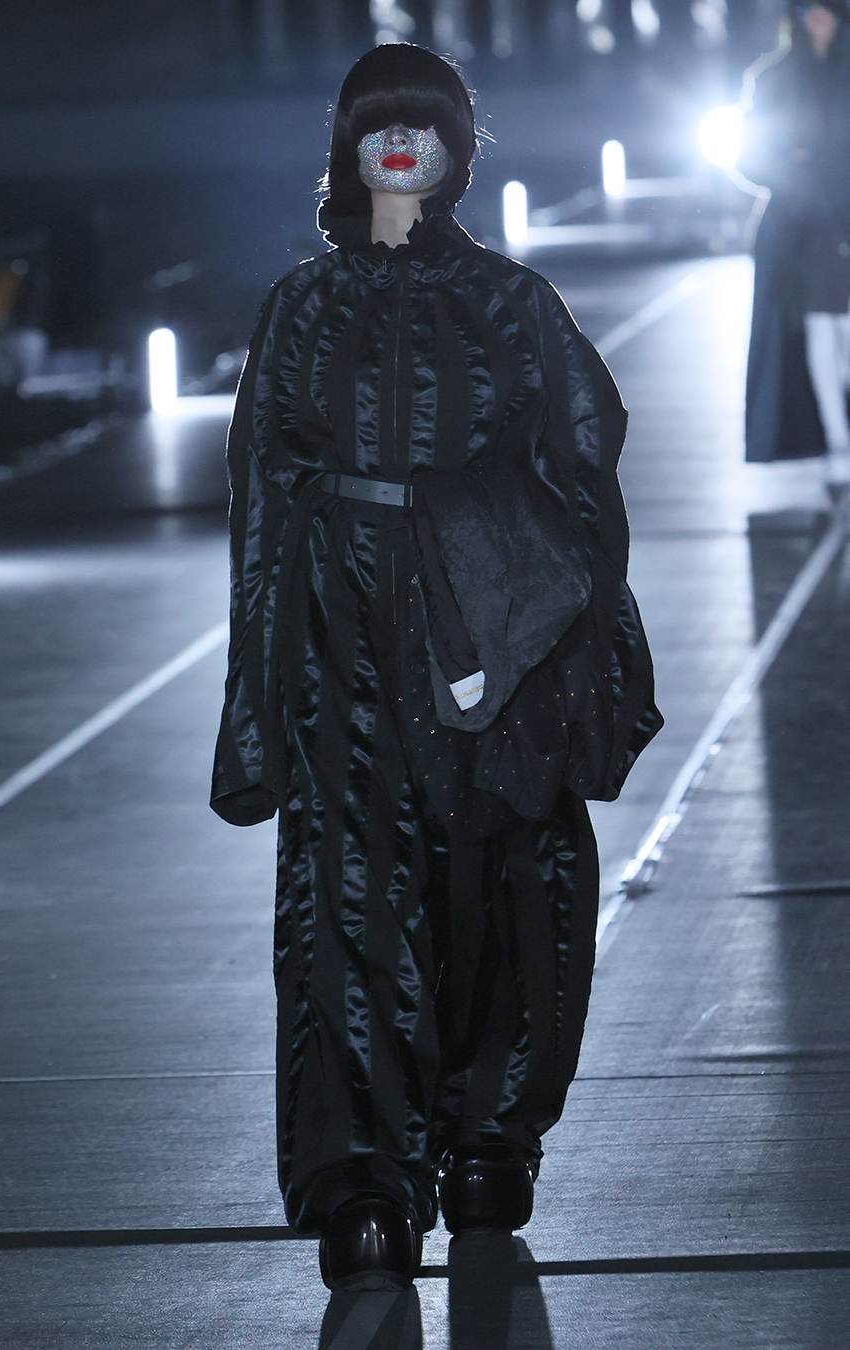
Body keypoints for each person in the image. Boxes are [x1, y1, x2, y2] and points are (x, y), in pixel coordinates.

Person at [211, 42, 661, 1292]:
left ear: (459, 146)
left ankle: (488, 1144)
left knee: (507, 888)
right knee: (350, 905)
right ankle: (366, 1185)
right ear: (348, 146)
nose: (402, 143)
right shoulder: (301, 308)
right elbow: (261, 499)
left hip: (490, 643)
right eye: (380, 123)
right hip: (343, 639)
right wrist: (257, 698)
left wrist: (563, 633)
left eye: (425, 123)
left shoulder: (515, 303)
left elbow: (584, 469)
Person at [741, 1, 850, 495]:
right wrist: (794, 172)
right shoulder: (775, 77)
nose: (820, 15)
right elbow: (751, 153)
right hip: (804, 225)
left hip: (832, 217)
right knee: (821, 328)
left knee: (838, 330)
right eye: (811, 6)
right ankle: (838, 441)